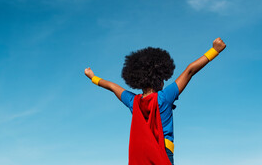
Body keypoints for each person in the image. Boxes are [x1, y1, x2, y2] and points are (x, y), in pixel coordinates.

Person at [84, 37, 226, 165]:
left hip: (141, 155)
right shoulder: (164, 97)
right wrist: (214, 50)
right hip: (163, 151)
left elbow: (112, 86)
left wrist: (93, 77)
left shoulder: (133, 101)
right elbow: (189, 71)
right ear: (159, 79)